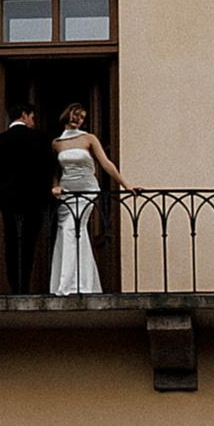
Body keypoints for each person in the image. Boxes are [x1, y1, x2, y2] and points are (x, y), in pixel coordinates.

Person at [48, 103, 126, 298]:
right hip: (66, 192)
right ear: (67, 114)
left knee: (71, 229)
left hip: (87, 189)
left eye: (82, 117)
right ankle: (77, 283)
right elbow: (55, 172)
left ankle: (71, 284)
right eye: (76, 114)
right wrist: (55, 187)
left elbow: (106, 163)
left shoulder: (89, 138)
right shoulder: (56, 143)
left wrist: (125, 185)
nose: (78, 119)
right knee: (71, 231)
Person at [0, 105, 57, 294]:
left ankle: (16, 288)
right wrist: (47, 196)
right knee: (29, 245)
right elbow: (48, 169)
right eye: (32, 117)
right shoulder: (41, 138)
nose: (33, 121)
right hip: (35, 201)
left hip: (9, 203)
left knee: (12, 245)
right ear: (24, 115)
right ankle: (25, 286)